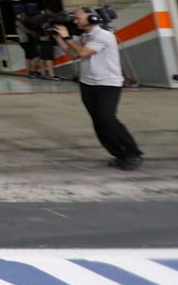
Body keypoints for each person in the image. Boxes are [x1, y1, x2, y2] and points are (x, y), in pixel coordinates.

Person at [52, 9, 143, 170]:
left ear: (92, 18)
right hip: (88, 84)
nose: (75, 21)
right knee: (98, 122)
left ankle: (133, 153)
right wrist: (60, 39)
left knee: (107, 119)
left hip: (108, 84)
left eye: (78, 18)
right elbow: (75, 56)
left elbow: (83, 51)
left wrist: (67, 37)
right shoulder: (85, 36)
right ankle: (119, 155)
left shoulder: (103, 35)